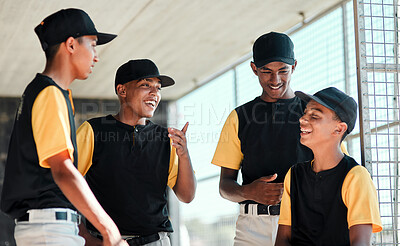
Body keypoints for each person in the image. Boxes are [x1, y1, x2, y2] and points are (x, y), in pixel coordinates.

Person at [0, 8, 127, 246]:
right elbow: (63, 170)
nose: (96, 56)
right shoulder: (49, 93)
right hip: (49, 229)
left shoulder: (46, 92)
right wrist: (110, 230)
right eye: (93, 45)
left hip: (50, 228)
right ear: (71, 45)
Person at [211, 32, 347, 245]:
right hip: (252, 228)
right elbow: (224, 186)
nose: (275, 80)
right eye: (266, 71)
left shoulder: (316, 114)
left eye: (282, 71)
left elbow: (340, 173)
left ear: (293, 66)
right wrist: (249, 191)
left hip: (305, 222)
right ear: (254, 69)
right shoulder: (239, 117)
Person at [76, 59, 197, 246]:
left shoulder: (166, 138)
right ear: (122, 90)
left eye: (158, 87)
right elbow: (65, 185)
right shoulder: (93, 130)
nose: (154, 93)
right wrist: (84, 235)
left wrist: (184, 155)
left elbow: (187, 196)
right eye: (146, 85)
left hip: (156, 241)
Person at [275, 87, 382, 246]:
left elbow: (360, 243)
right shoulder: (294, 175)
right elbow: (283, 240)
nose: (302, 119)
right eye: (305, 113)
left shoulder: (355, 176)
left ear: (339, 129)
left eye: (314, 116)